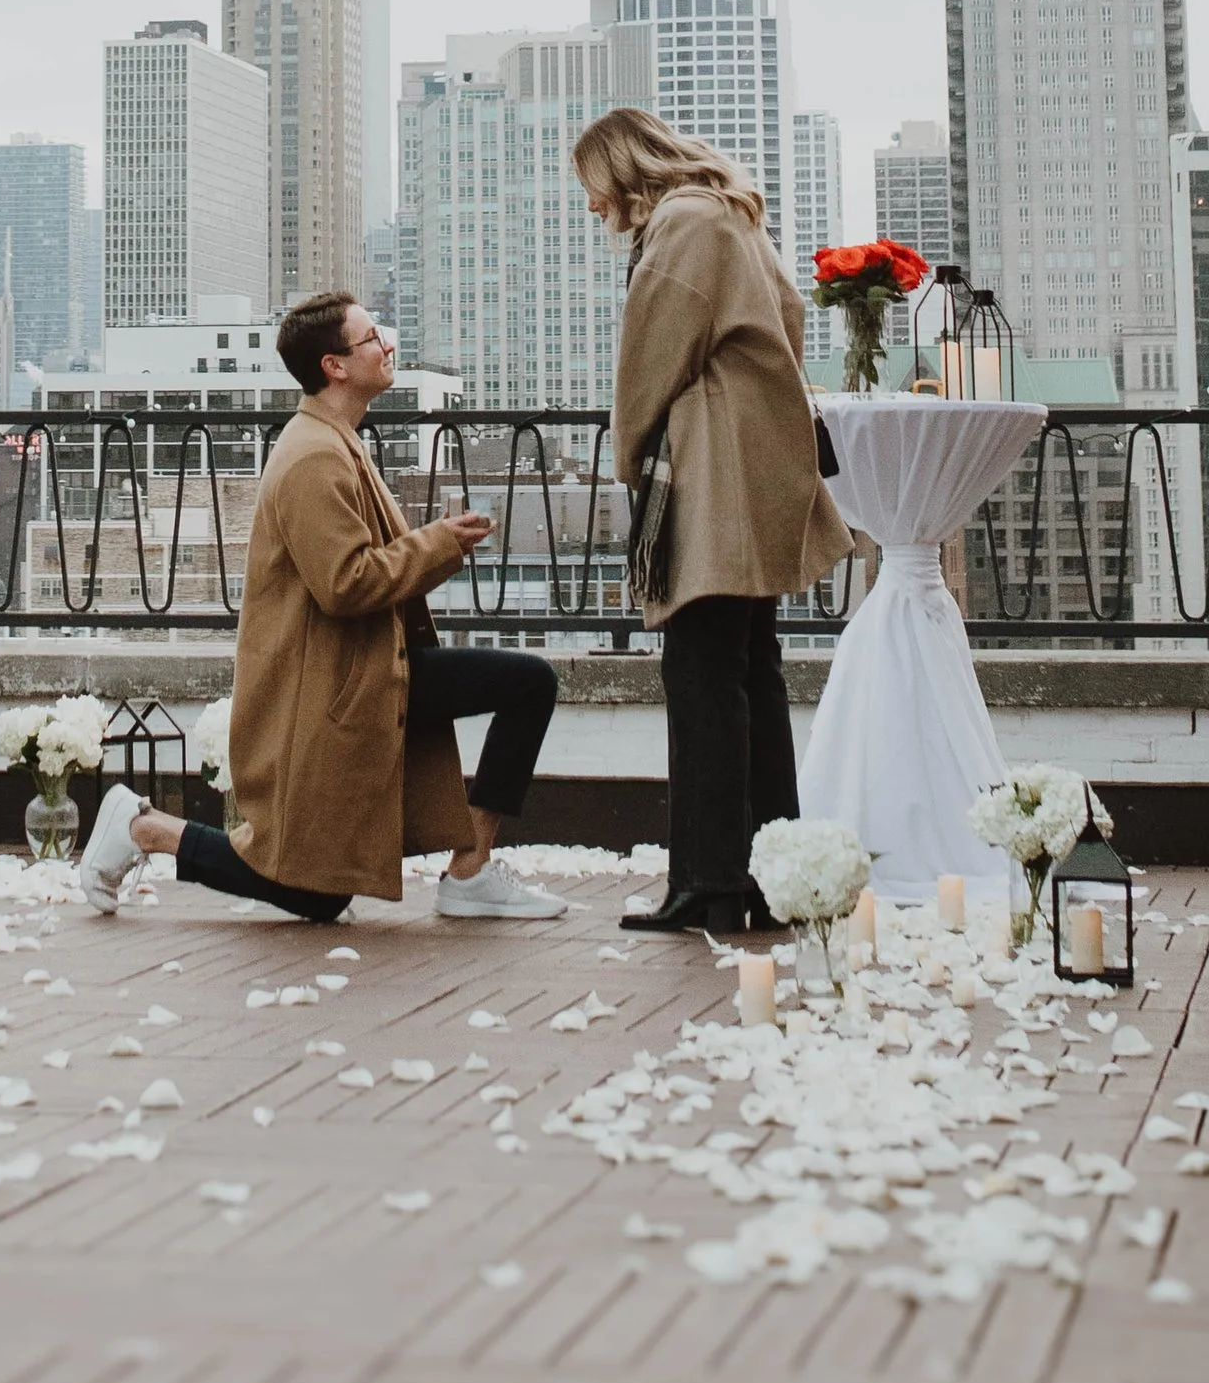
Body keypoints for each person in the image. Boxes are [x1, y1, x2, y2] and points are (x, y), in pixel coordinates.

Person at [76, 289, 566, 922]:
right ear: (335, 365)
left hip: (362, 671)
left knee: (526, 687)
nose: (386, 346)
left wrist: (432, 544)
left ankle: (468, 872)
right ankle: (145, 829)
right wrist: (438, 544)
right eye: (371, 339)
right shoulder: (313, 455)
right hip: (342, 685)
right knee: (316, 891)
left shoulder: (333, 439)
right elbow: (345, 583)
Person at [572, 106, 852, 936]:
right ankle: (771, 876)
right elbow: (792, 322)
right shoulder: (728, 214)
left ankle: (707, 879)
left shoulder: (681, 226)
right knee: (748, 673)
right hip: (757, 462)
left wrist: (630, 456)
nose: (589, 207)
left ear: (623, 171)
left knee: (699, 676)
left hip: (712, 468)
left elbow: (648, 359)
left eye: (591, 188)